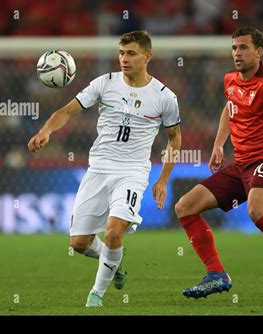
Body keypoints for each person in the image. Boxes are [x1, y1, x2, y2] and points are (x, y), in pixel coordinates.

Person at [27, 31, 181, 307]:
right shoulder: (104, 83)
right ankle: (115, 261)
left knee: (113, 232)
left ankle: (96, 294)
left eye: (131, 53)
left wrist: (164, 179)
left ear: (147, 56)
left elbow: (174, 138)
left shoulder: (164, 97)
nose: (124, 58)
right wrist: (46, 130)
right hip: (98, 168)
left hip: (132, 172)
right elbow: (65, 111)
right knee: (79, 243)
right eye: (121, 53)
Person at [174, 27, 263, 300]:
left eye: (243, 48)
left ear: (259, 51)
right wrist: (217, 144)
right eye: (234, 47)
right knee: (185, 207)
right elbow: (230, 108)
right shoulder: (230, 80)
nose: (237, 53)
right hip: (241, 164)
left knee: (256, 211)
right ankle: (216, 274)